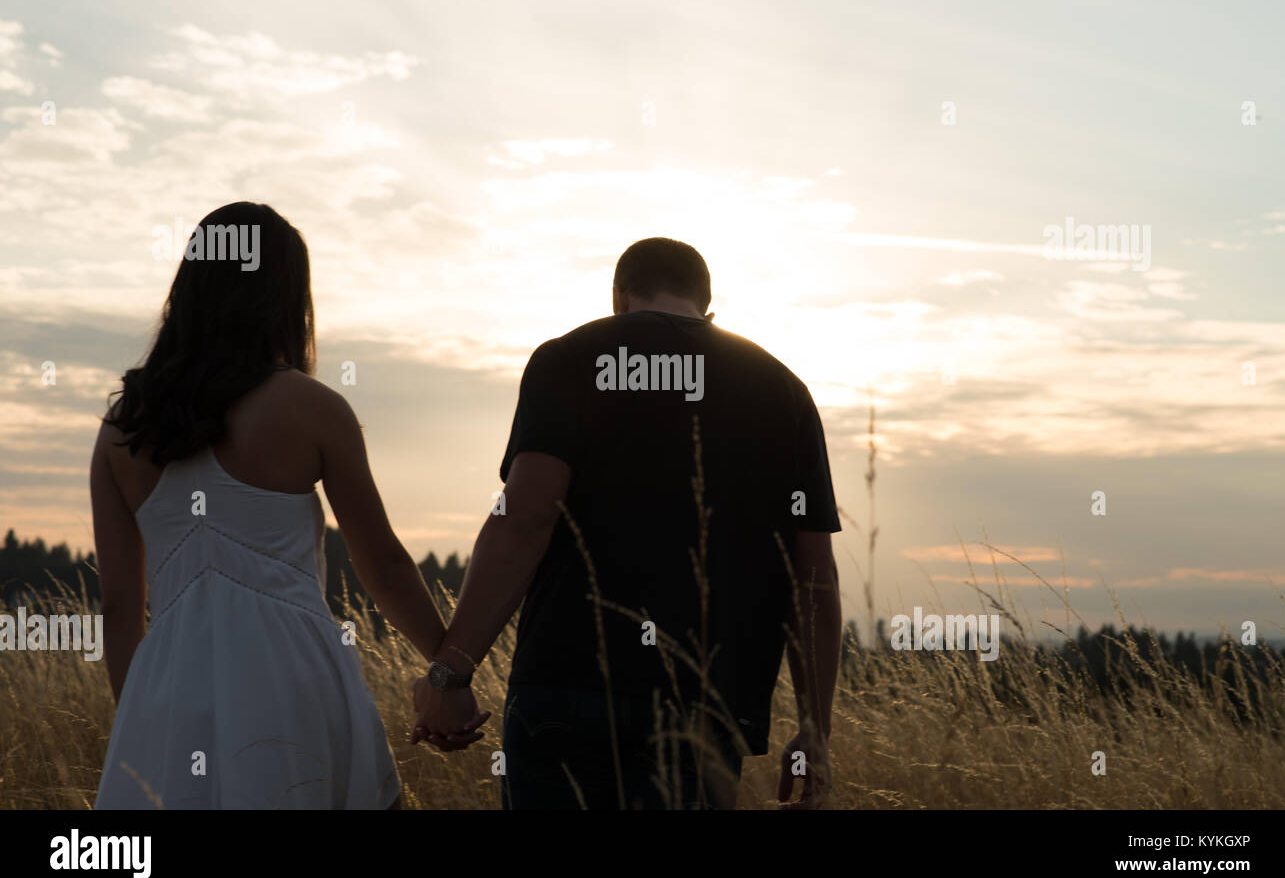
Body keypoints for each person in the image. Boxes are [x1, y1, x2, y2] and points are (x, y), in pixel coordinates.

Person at [412, 236, 841, 809]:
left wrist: (451, 674)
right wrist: (815, 729)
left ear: (619, 298)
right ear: (708, 308)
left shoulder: (567, 359)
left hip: (561, 696)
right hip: (704, 712)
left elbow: (524, 518)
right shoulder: (783, 390)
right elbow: (812, 576)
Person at [92, 202, 485, 809]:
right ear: (285, 297)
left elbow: (119, 604)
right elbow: (381, 564)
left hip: (168, 687)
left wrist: (143, 721)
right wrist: (446, 675)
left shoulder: (121, 426)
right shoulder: (312, 408)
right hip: (293, 679)